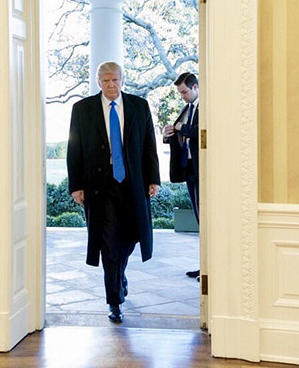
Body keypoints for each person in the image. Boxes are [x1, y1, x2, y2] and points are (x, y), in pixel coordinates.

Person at [67, 61, 160, 324]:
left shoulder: (139, 106)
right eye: (106, 81)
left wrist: (153, 179)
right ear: (98, 82)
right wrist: (76, 186)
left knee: (130, 239)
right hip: (99, 186)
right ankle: (114, 301)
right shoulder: (82, 109)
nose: (111, 85)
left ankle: (119, 275)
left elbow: (149, 145)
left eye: (115, 80)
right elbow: (74, 149)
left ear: (122, 80)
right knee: (107, 243)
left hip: (132, 183)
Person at [163, 72, 200, 279]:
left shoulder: (207, 107)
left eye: (184, 92)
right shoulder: (187, 109)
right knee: (199, 219)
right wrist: (169, 133)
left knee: (206, 220)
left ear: (195, 87)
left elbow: (202, 130)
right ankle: (205, 265)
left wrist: (181, 128)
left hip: (203, 170)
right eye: (180, 93)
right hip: (189, 171)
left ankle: (210, 268)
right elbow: (183, 133)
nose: (182, 96)